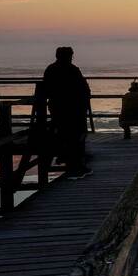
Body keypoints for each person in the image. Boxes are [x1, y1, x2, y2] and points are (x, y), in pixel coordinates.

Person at [42, 46, 91, 178]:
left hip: (57, 108)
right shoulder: (72, 70)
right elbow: (83, 88)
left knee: (63, 132)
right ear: (69, 56)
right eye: (71, 56)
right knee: (77, 134)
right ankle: (76, 163)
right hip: (73, 109)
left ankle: (65, 157)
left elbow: (45, 89)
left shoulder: (50, 69)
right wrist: (85, 101)